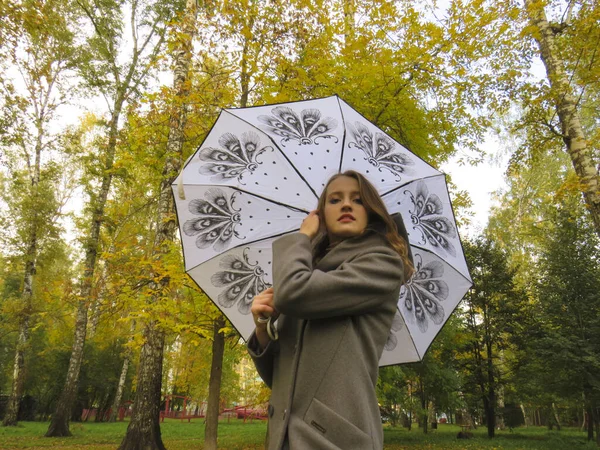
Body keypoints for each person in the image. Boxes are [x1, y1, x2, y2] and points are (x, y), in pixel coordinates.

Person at [247, 170, 414, 450]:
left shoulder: (383, 263)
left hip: (333, 438)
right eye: (335, 200)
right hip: (283, 439)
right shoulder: (309, 273)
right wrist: (263, 328)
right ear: (322, 214)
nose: (346, 205)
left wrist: (302, 237)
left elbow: (292, 293)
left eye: (358, 200)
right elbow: (279, 379)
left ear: (371, 213)